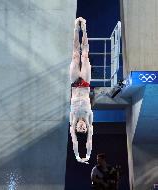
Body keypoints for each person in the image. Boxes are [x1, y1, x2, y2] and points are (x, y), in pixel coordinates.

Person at [70, 17, 93, 163]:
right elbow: (89, 142)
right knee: (84, 55)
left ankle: (75, 29)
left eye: (81, 129)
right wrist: (88, 155)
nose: (82, 127)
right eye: (84, 128)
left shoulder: (72, 122)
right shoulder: (89, 121)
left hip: (74, 83)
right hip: (85, 84)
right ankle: (84, 28)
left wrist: (77, 156)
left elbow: (75, 142)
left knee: (74, 55)